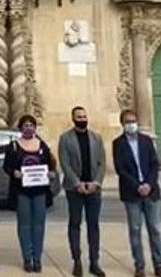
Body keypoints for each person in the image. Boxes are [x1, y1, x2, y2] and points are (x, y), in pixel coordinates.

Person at [112, 110, 161, 277]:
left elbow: (154, 164)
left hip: (151, 192)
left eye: (134, 121)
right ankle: (140, 265)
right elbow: (120, 169)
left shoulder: (146, 141)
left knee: (155, 229)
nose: (132, 124)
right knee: (135, 229)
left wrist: (149, 184)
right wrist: (137, 186)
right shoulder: (118, 144)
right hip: (132, 193)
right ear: (122, 124)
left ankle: (159, 265)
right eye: (128, 121)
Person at [3, 114, 56, 274]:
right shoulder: (13, 146)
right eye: (25, 125)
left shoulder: (43, 146)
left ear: (35, 127)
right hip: (21, 191)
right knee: (24, 225)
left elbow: (51, 165)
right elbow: (7, 166)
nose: (28, 128)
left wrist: (51, 174)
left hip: (39, 190)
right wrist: (15, 173)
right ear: (20, 128)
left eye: (31, 125)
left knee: (39, 225)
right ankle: (27, 257)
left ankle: (37, 258)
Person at [58, 107, 106, 277]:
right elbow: (65, 163)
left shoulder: (96, 138)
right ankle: (77, 260)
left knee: (94, 226)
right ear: (73, 118)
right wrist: (77, 183)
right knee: (75, 224)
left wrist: (96, 183)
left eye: (85, 116)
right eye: (79, 117)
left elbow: (102, 163)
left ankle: (94, 262)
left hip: (93, 189)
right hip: (74, 189)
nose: (82, 119)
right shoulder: (65, 138)